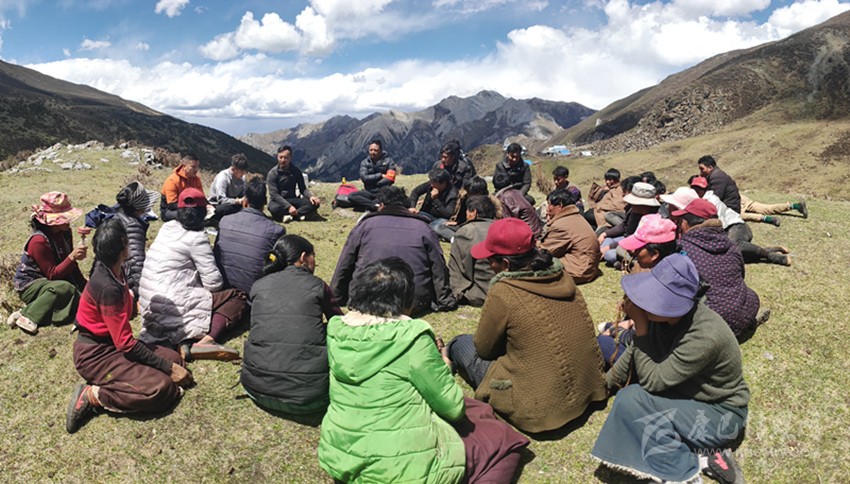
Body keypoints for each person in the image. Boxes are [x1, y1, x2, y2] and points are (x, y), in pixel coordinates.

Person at [319, 258, 529, 483]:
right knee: (504, 440)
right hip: (400, 469)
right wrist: (443, 364)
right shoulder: (411, 337)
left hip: (340, 455)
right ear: (406, 300)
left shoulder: (337, 330)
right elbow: (452, 408)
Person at [591, 254, 749, 484]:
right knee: (632, 398)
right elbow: (633, 356)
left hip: (720, 413)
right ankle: (704, 453)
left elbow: (653, 381)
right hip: (687, 395)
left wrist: (641, 327)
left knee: (632, 400)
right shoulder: (666, 319)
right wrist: (599, 389)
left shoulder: (705, 335)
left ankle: (686, 468)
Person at [447, 218, 608, 433]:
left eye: (490, 260)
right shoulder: (563, 277)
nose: (489, 265)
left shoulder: (504, 291)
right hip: (589, 391)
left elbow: (484, 350)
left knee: (461, 343)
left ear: (505, 264)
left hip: (539, 412)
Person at [66, 219, 193, 433]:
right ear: (122, 248)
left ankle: (144, 373)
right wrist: (168, 369)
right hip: (95, 354)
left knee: (175, 359)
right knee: (162, 389)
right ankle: (93, 396)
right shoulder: (108, 287)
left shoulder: (114, 268)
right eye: (127, 241)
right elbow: (125, 344)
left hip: (113, 343)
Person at [139, 188, 246, 361]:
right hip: (173, 306)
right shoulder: (197, 238)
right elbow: (213, 284)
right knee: (238, 296)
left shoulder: (166, 228)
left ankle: (182, 340)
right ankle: (206, 340)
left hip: (150, 304)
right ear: (203, 212)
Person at [242, 234, 342, 415]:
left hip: (256, 390)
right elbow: (340, 323)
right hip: (310, 399)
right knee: (329, 328)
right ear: (303, 258)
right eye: (314, 257)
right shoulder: (317, 285)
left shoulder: (258, 285)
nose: (315, 263)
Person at [332, 186, 456, 315]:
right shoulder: (423, 228)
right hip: (411, 302)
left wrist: (336, 296)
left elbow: (345, 262)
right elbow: (438, 267)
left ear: (381, 205)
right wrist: (444, 300)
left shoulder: (365, 225)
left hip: (367, 299)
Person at [596, 214, 679, 368]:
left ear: (655, 254)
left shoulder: (662, 289)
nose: (633, 251)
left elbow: (648, 338)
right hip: (645, 333)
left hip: (654, 357)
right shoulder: (671, 271)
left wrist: (620, 332)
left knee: (601, 341)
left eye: (639, 248)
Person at [673, 198, 765, 337]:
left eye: (681, 221)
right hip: (744, 314)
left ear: (686, 224)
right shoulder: (732, 245)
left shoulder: (682, 249)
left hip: (711, 324)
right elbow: (741, 276)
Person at [10, 192, 88, 334]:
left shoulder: (65, 232)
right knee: (64, 288)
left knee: (77, 296)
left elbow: (70, 266)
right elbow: (52, 274)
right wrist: (72, 257)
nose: (68, 221)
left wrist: (85, 286)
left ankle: (27, 310)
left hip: (53, 282)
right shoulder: (38, 241)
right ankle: (28, 316)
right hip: (31, 285)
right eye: (64, 218)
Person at [689, 176, 791, 266]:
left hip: (736, 226)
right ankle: (771, 250)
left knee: (735, 245)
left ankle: (772, 257)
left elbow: (717, 222)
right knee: (733, 256)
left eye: (699, 188)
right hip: (728, 231)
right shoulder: (698, 201)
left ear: (705, 189)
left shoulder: (711, 200)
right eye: (694, 188)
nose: (696, 191)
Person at [213, 177, 285, 295]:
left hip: (223, 291)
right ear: (265, 202)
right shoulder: (276, 231)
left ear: (245, 201)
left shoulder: (225, 221)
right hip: (254, 295)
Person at [539, 188, 601, 284]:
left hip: (578, 271)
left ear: (559, 206)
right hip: (588, 268)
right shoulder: (576, 217)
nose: (547, 209)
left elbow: (545, 252)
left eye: (549, 204)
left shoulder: (561, 225)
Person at [113, 182, 159, 301]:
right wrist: (141, 290)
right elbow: (136, 263)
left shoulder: (117, 215)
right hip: (124, 281)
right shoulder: (133, 226)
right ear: (141, 207)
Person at [448, 195, 497, 307]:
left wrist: (455, 294)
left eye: (467, 211)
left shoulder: (466, 231)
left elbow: (456, 268)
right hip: (506, 291)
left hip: (480, 294)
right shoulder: (502, 228)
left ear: (474, 212)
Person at [598, 181, 660, 266]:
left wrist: (609, 247)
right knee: (607, 239)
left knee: (610, 255)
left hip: (638, 245)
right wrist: (605, 234)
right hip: (625, 239)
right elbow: (623, 226)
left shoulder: (655, 217)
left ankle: (629, 263)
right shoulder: (633, 210)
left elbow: (636, 239)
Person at [267, 145, 321, 223]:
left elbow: (303, 189)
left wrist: (311, 196)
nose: (283, 160)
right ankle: (297, 214)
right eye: (280, 157)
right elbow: (274, 195)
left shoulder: (296, 171)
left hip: (292, 199)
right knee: (274, 209)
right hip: (278, 201)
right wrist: (288, 206)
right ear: (277, 157)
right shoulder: (273, 173)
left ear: (290, 158)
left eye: (285, 157)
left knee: (315, 203)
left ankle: (291, 215)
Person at [345, 139, 397, 212]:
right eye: (371, 150)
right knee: (351, 196)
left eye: (375, 150)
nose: (372, 152)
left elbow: (390, 179)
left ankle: (369, 205)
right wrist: (380, 175)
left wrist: (372, 182)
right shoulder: (365, 162)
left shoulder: (389, 161)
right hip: (369, 192)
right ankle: (375, 206)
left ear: (381, 150)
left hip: (383, 192)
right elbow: (364, 178)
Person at [408, 167, 459, 241]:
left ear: (443, 183)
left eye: (434, 183)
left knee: (435, 227)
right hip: (426, 214)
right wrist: (412, 207)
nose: (432, 185)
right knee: (411, 218)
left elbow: (448, 214)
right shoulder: (431, 184)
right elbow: (415, 192)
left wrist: (435, 199)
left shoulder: (453, 194)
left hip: (441, 219)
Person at [493, 171, 543, 238]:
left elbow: (508, 221)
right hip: (534, 230)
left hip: (529, 234)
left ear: (495, 186)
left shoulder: (505, 197)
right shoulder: (516, 192)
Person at [160, 153, 205, 222]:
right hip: (169, 211)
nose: (196, 170)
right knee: (189, 215)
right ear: (184, 166)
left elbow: (201, 197)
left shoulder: (196, 179)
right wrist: (192, 207)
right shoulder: (173, 180)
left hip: (190, 207)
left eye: (197, 166)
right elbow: (172, 205)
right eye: (193, 167)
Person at [209, 153, 248, 220]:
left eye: (245, 171)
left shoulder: (242, 178)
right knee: (225, 209)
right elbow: (221, 200)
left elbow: (243, 194)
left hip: (233, 203)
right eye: (242, 171)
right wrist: (238, 201)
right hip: (217, 204)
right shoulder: (223, 177)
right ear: (233, 169)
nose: (244, 173)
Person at [739, 193, 808, 226]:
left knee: (740, 216)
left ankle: (767, 219)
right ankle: (795, 206)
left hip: (740, 204)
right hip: (745, 201)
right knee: (768, 208)